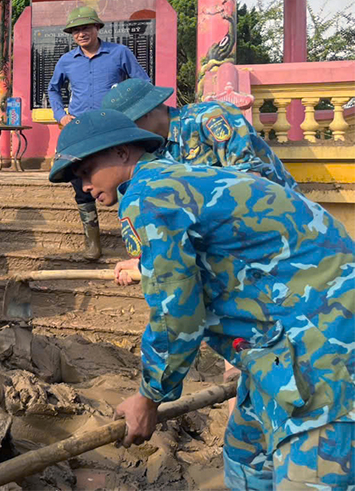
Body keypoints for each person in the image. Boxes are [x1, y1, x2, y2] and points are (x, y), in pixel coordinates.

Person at [49, 109, 354, 491]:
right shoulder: (174, 180)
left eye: (85, 170)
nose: (83, 186)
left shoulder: (149, 196)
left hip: (321, 346)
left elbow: (177, 313)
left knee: (310, 476)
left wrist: (148, 398)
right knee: (246, 457)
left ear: (123, 153)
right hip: (273, 346)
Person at [101, 78, 299, 285]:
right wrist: (145, 263)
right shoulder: (151, 153)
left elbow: (251, 185)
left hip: (278, 226)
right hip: (227, 245)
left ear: (147, 112)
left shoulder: (210, 118)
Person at [47, 6, 150, 259]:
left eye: (86, 28)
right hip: (81, 130)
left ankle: (137, 239)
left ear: (97, 28)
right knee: (81, 182)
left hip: (114, 129)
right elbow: (53, 89)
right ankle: (92, 242)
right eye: (76, 30)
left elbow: (142, 83)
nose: (81, 33)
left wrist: (131, 111)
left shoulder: (119, 53)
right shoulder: (66, 61)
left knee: (126, 181)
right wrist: (61, 115)